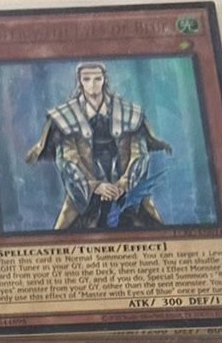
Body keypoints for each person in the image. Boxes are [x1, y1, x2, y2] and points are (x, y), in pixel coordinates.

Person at [25, 61, 170, 231]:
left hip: (126, 189)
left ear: (104, 80)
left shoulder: (129, 113)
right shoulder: (66, 116)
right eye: (86, 79)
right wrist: (95, 186)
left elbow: (140, 154)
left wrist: (123, 184)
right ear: (80, 81)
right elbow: (68, 160)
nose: (92, 84)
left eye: (97, 79)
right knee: (63, 234)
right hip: (84, 191)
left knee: (153, 227)